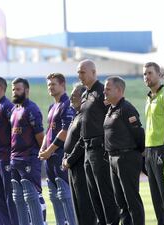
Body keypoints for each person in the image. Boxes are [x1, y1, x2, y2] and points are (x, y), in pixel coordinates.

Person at [77, 59, 120, 225]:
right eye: (78, 72)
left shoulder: (103, 91)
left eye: (82, 72)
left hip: (100, 149)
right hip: (87, 149)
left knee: (106, 194)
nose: (79, 75)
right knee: (94, 195)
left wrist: (108, 145)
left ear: (93, 72)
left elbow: (114, 118)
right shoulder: (85, 94)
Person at [103, 76, 145, 224]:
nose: (104, 91)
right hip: (113, 158)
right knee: (121, 202)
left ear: (119, 90)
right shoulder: (110, 109)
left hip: (126, 157)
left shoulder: (126, 108)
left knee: (131, 200)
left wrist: (139, 152)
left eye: (108, 89)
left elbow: (138, 133)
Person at [38, 73, 76, 225]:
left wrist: (49, 151)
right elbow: (49, 131)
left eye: (53, 84)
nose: (50, 87)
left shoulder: (68, 104)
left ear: (62, 85)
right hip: (50, 160)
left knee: (65, 196)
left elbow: (65, 132)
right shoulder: (52, 106)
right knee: (54, 196)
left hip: (61, 157)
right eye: (49, 85)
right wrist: (42, 148)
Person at [9, 78, 46, 225]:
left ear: (26, 90)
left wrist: (38, 155)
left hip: (29, 158)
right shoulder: (14, 110)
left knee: (34, 194)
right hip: (15, 159)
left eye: (18, 89)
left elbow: (40, 136)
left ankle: (40, 222)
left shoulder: (32, 109)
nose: (15, 92)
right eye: (13, 89)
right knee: (19, 197)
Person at [142, 62, 164, 225]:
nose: (146, 77)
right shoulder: (149, 97)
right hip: (150, 151)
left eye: (150, 73)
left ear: (160, 75)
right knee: (156, 197)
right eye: (144, 74)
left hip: (163, 150)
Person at [62, 83, 97, 225]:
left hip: (82, 166)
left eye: (75, 94)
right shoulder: (76, 115)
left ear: (83, 98)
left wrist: (69, 159)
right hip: (73, 168)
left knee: (85, 208)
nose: (71, 96)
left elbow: (82, 141)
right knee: (77, 208)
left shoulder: (85, 116)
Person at [0, 76, 18, 225]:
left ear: (1, 88)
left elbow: (15, 133)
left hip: (5, 159)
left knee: (9, 198)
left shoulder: (8, 107)